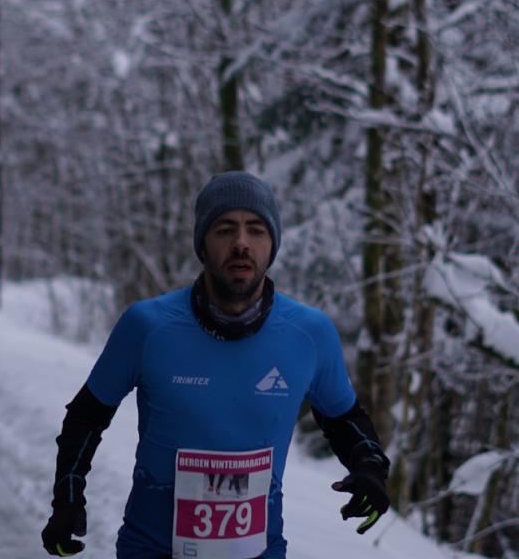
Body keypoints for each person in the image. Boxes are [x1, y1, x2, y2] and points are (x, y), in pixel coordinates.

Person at [41, 172, 391, 558]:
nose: (241, 243)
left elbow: (345, 419)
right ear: (202, 245)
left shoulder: (309, 335)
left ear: (272, 245)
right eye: (225, 229)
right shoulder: (148, 327)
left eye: (256, 230)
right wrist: (68, 495)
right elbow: (87, 415)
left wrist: (371, 467)